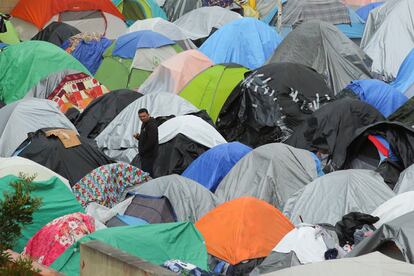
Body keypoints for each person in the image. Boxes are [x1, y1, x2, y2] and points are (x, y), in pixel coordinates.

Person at [133, 108, 158, 176]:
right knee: (145, 171)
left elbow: (151, 141)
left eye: (144, 116)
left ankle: (150, 184)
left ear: (148, 115)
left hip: (149, 154)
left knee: (148, 172)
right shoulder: (144, 123)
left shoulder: (151, 125)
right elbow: (146, 139)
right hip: (145, 154)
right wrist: (138, 137)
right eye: (140, 117)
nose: (142, 118)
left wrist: (143, 151)